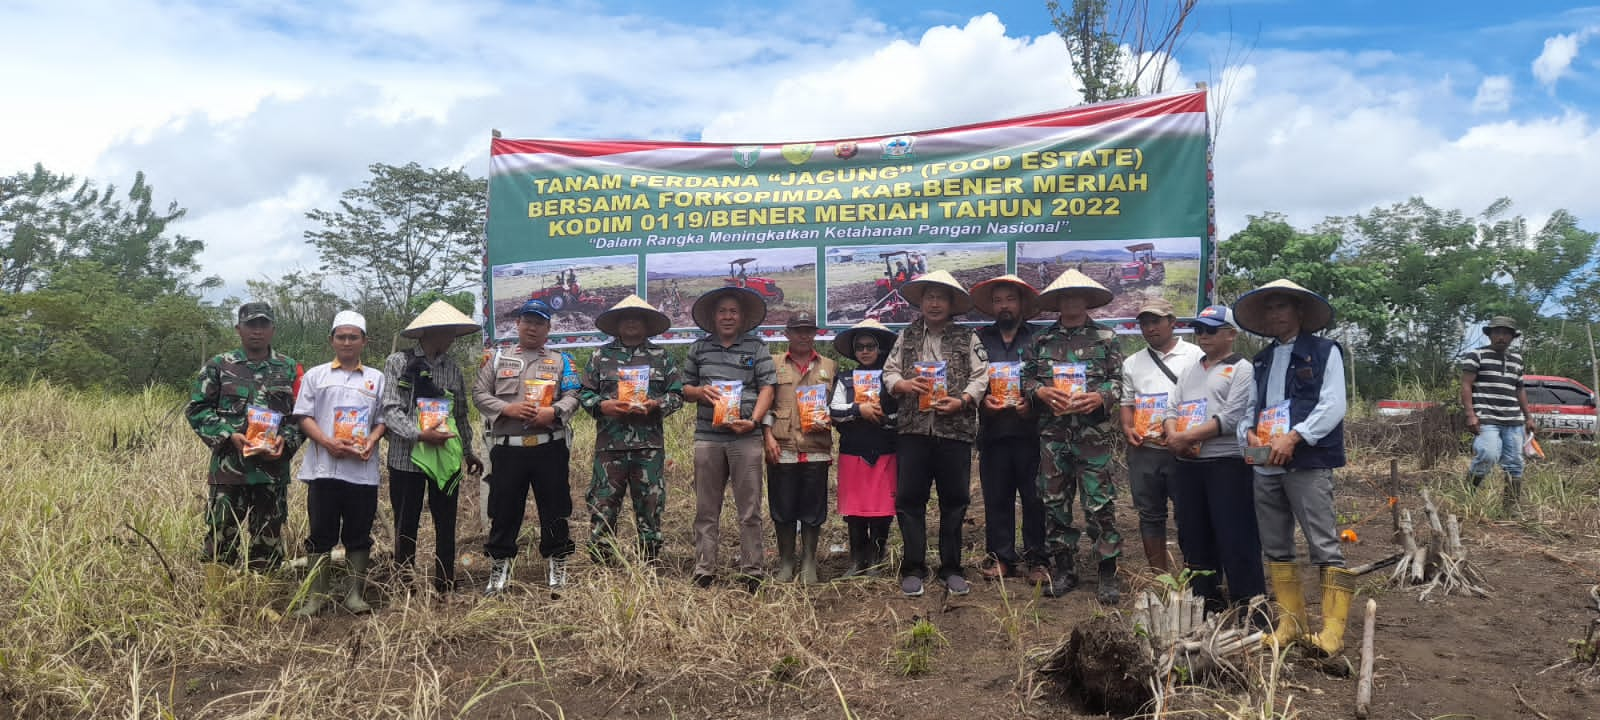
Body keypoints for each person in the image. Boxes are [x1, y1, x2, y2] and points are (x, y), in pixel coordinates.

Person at [1233, 279, 1352, 654]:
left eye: (1282, 306)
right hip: (1266, 464)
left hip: (1308, 462)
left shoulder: (1324, 351)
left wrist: (1294, 437)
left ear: (1299, 311)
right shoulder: (1262, 359)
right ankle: (1292, 623)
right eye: (1269, 308)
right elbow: (1251, 407)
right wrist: (1249, 435)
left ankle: (1331, 633)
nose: (1275, 314)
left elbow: (1333, 405)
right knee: (1276, 544)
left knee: (1324, 544)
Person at [883, 270, 988, 597]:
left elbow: (982, 375)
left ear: (952, 303)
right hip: (913, 430)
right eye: (929, 297)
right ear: (921, 302)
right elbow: (889, 372)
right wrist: (902, 385)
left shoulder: (967, 338)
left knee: (954, 501)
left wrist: (964, 400)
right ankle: (914, 567)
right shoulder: (906, 336)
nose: (934, 303)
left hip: (954, 431)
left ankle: (951, 567)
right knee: (909, 500)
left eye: (941, 298)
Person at [1022, 270, 1125, 603]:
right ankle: (1064, 568)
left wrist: (1101, 397)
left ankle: (1107, 572)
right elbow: (1025, 381)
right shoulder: (1041, 341)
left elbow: (1119, 381)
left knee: (1099, 503)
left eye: (1077, 296)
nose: (1071, 302)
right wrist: (1040, 392)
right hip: (1053, 436)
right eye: (1064, 297)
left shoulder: (1107, 338)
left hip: (1092, 436)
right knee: (1054, 502)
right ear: (1056, 303)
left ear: (1086, 299)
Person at [187, 302, 305, 589]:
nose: (257, 331)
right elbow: (197, 409)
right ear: (238, 329)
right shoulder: (219, 365)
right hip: (229, 471)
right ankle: (216, 601)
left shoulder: (290, 369)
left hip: (271, 472)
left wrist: (286, 440)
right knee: (220, 535)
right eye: (251, 325)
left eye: (263, 325)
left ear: (273, 330)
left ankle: (261, 601)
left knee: (268, 538)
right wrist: (228, 435)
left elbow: (302, 416)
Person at [474, 298, 581, 596]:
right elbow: (479, 394)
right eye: (527, 321)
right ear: (518, 324)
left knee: (555, 507)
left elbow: (574, 394)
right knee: (504, 508)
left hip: (550, 447)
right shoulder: (497, 359)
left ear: (548, 328)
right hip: (509, 449)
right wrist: (505, 409)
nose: (532, 327)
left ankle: (557, 564)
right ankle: (499, 566)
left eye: (539, 322)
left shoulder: (562, 361)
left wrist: (555, 412)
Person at [1162, 305, 1263, 610]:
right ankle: (1205, 602)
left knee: (1235, 534)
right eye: (1200, 330)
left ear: (1231, 334)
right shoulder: (1191, 369)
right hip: (1188, 464)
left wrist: (1184, 437)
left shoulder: (1243, 368)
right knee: (1193, 535)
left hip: (1227, 464)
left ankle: (1250, 603)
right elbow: (1171, 408)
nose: (1203, 336)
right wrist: (1172, 434)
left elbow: (1232, 418)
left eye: (1211, 330)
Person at [381, 300, 483, 594]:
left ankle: (445, 581)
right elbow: (390, 410)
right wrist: (419, 434)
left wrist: (468, 451)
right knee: (406, 522)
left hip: (445, 458)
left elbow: (460, 413)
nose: (451, 338)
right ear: (429, 333)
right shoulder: (399, 363)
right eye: (447, 332)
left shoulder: (452, 369)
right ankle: (404, 583)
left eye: (453, 332)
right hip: (405, 458)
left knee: (446, 520)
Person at [291, 311, 387, 617]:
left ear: (364, 341)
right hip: (324, 469)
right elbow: (303, 416)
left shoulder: (376, 378)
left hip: (361, 469)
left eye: (353, 337)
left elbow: (383, 419)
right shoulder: (316, 376)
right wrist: (327, 442)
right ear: (332, 340)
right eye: (341, 336)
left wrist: (371, 440)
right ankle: (315, 597)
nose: (347, 342)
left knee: (359, 533)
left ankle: (354, 594)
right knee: (321, 533)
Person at [681, 287, 776, 591]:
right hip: (708, 437)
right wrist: (699, 392)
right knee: (706, 507)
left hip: (745, 438)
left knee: (750, 507)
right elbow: (684, 388)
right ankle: (704, 567)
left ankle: (752, 569)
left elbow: (767, 389)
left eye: (733, 311)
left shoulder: (756, 348)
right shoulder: (699, 349)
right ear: (712, 316)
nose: (727, 316)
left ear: (743, 316)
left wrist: (754, 421)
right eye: (722, 311)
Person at [578, 295, 684, 565]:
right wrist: (604, 406)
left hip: (648, 447)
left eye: (638, 318)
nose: (632, 322)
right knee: (603, 505)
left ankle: (649, 562)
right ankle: (603, 564)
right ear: (617, 324)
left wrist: (656, 405)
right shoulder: (600, 356)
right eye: (626, 318)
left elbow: (677, 395)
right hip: (609, 447)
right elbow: (584, 394)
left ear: (647, 324)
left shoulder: (661, 357)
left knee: (650, 505)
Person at [970, 274, 1047, 584]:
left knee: (1034, 498)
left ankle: (1037, 559)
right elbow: (970, 380)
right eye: (998, 300)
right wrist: (981, 402)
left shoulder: (1039, 339)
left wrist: (1034, 404)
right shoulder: (979, 339)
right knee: (997, 497)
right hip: (993, 433)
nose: (1004, 306)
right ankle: (1001, 557)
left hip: (1032, 433)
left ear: (1022, 304)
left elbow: (1048, 379)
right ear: (991, 306)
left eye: (1010, 300)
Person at [1120, 298, 1204, 573]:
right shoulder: (1133, 362)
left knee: (1189, 513)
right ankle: (1159, 577)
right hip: (1146, 449)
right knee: (1149, 514)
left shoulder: (1195, 356)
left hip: (1185, 449)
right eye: (1144, 323)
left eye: (1155, 321)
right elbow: (1127, 402)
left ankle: (1194, 573)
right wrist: (1128, 428)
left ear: (1172, 322)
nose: (1149, 328)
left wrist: (1193, 438)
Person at [763, 312, 837, 584]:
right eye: (798, 330)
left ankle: (808, 560)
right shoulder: (773, 364)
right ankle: (786, 561)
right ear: (787, 333)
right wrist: (767, 436)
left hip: (816, 447)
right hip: (782, 448)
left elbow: (837, 406)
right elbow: (766, 404)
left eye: (809, 330)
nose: (804, 335)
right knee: (782, 506)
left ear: (815, 333)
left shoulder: (830, 365)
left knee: (813, 507)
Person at [829, 319, 900, 577]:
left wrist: (885, 418)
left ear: (880, 348)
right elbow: (834, 410)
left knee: (882, 508)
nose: (865, 351)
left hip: (885, 450)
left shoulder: (892, 380)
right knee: (854, 509)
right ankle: (857, 560)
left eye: (871, 346)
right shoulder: (845, 379)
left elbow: (903, 414)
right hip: (853, 451)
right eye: (860, 346)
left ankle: (877, 559)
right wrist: (859, 409)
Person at [1460, 316, 1537, 512]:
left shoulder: (1517, 360)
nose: (1501, 337)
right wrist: (1470, 414)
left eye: (1506, 333)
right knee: (1488, 453)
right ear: (1490, 335)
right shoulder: (1476, 355)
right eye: (1497, 333)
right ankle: (1465, 500)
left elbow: (1520, 389)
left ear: (1512, 337)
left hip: (1513, 419)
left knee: (1514, 463)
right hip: (1487, 417)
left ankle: (1510, 509)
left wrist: (1528, 417)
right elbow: (1466, 384)